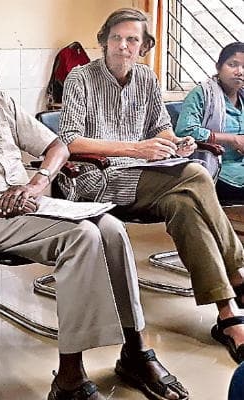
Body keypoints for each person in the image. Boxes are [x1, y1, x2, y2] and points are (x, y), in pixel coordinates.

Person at [0, 20, 187, 400]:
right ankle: (70, 376)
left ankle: (134, 350)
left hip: (26, 201)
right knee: (82, 236)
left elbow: (58, 145)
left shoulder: (2, 103)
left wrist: (38, 182)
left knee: (110, 229)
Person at [59, 8, 244, 366]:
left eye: (132, 40)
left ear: (144, 46)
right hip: (96, 178)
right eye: (116, 38)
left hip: (145, 174)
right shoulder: (80, 78)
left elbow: (161, 126)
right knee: (196, 174)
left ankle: (227, 314)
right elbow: (70, 141)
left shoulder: (146, 76)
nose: (123, 46)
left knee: (185, 205)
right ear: (104, 41)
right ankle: (237, 272)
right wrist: (136, 149)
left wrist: (176, 142)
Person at [176, 42, 244, 201]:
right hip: (215, 168)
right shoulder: (202, 94)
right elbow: (185, 130)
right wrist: (233, 139)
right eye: (232, 65)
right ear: (218, 67)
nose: (239, 71)